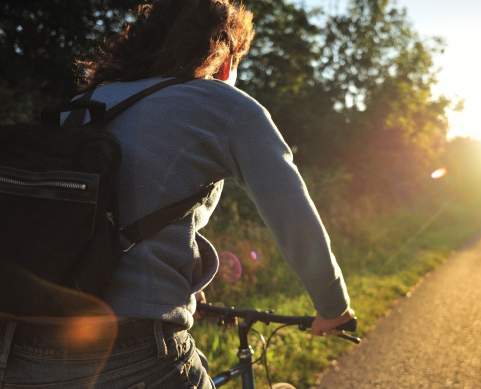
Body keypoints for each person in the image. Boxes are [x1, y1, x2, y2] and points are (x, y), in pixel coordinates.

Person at [0, 1, 354, 388]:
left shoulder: (86, 105)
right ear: (224, 60)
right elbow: (293, 216)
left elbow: (95, 223)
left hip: (19, 354)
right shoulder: (224, 104)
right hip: (132, 355)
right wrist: (333, 307)